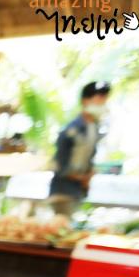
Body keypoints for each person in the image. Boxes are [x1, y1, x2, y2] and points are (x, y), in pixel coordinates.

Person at [48, 81, 110, 216]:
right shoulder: (72, 129)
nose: (103, 104)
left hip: (78, 192)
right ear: (85, 101)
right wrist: (82, 178)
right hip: (63, 191)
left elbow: (90, 158)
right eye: (99, 99)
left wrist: (89, 175)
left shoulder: (94, 128)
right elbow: (60, 164)